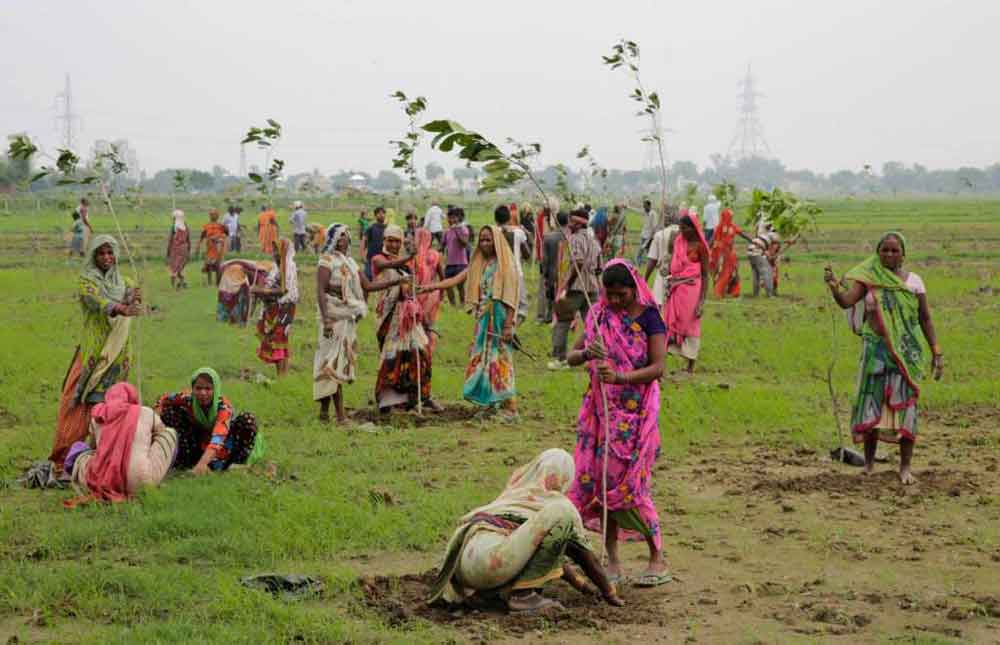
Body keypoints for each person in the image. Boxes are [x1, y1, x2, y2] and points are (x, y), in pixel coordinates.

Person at [566, 260, 670, 587]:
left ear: (634, 288)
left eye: (620, 294)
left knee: (634, 486)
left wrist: (621, 376)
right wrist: (587, 354)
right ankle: (612, 559)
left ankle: (657, 557)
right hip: (602, 415)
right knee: (603, 485)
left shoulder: (651, 317)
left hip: (636, 415)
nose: (615, 301)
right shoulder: (599, 315)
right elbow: (572, 355)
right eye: (609, 295)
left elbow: (657, 368)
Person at [428, 449, 624, 613]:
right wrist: (608, 591)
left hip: (462, 567)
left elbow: (542, 549)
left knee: (531, 539)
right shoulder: (557, 504)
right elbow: (584, 555)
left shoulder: (515, 493)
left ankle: (486, 596)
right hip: (491, 563)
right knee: (562, 514)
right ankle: (524, 596)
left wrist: (582, 585)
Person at [824, 232, 943, 485]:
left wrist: (936, 351)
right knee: (871, 405)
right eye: (884, 250)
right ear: (877, 252)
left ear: (903, 254)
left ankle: (905, 468)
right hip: (875, 352)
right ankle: (868, 465)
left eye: (894, 250)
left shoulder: (914, 282)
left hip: (906, 354)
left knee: (907, 408)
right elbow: (846, 302)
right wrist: (835, 289)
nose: (889, 255)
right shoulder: (868, 280)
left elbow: (925, 318)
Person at [50, 235, 143, 471]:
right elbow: (98, 301)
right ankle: (68, 455)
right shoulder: (86, 282)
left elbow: (132, 298)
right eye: (101, 253)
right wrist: (121, 307)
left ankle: (102, 456)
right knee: (77, 401)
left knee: (112, 402)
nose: (106, 258)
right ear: (93, 255)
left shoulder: (126, 281)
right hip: (93, 350)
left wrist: (134, 298)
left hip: (119, 353)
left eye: (110, 253)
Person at [420, 226, 520, 417]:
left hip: (499, 317)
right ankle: (491, 404)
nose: (484, 244)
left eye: (488, 240)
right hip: (483, 319)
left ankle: (510, 407)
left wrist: (508, 324)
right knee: (484, 360)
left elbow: (511, 296)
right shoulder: (479, 263)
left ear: (497, 241)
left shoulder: (507, 264)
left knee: (501, 359)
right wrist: (429, 287)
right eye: (481, 240)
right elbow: (456, 279)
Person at [314, 224, 401, 423]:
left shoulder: (351, 263)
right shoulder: (326, 261)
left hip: (347, 317)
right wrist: (326, 318)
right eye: (340, 235)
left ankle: (324, 414)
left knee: (335, 362)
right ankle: (340, 416)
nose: (344, 238)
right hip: (332, 316)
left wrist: (395, 282)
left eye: (346, 234)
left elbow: (368, 285)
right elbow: (320, 290)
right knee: (331, 363)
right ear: (332, 238)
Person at [63, 383, 177, 505]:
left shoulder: (98, 414)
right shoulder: (146, 412)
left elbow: (94, 449)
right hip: (142, 482)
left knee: (79, 449)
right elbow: (161, 431)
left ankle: (110, 477)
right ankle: (157, 476)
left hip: (103, 480)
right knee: (169, 433)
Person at [371, 225, 439, 413]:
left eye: (397, 241)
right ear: (384, 240)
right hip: (390, 318)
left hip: (407, 317)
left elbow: (411, 288)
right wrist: (409, 257)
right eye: (390, 240)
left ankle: (420, 397)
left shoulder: (405, 266)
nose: (393, 244)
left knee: (421, 353)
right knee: (393, 357)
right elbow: (385, 267)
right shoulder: (378, 259)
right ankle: (388, 401)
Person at [157, 368, 258, 474]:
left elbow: (218, 439)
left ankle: (237, 463)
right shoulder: (188, 398)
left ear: (215, 389)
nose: (203, 393)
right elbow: (164, 398)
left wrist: (201, 465)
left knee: (248, 419)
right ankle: (182, 459)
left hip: (224, 445)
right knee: (170, 411)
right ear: (193, 388)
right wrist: (156, 419)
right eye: (198, 388)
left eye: (208, 389)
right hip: (197, 441)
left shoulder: (224, 408)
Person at [549, 209, 602, 369]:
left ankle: (560, 359)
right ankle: (597, 356)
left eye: (572, 222)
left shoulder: (575, 238)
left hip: (576, 288)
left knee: (563, 322)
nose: (569, 224)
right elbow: (600, 267)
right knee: (593, 324)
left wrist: (566, 286)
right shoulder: (594, 240)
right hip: (592, 287)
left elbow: (578, 262)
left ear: (579, 224)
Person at [662, 215, 709, 373]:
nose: (682, 231)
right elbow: (673, 263)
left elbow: (705, 275)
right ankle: (660, 362)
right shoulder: (678, 242)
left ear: (693, 228)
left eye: (684, 228)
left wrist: (702, 301)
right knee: (669, 324)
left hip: (692, 291)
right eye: (680, 228)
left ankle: (690, 365)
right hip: (676, 288)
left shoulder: (701, 247)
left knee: (691, 326)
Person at [253, 238, 299, 377]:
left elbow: (284, 290)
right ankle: (282, 377)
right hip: (274, 307)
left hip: (284, 308)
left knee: (278, 339)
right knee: (279, 339)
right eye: (274, 250)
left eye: (278, 250)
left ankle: (281, 376)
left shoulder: (289, 266)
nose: (275, 253)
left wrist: (263, 292)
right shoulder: (276, 266)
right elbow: (271, 284)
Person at [495, 205, 531, 324]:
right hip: (515, 273)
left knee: (501, 304)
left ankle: (504, 328)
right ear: (510, 217)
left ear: (495, 219)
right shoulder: (518, 232)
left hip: (497, 273)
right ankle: (511, 328)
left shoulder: (493, 232)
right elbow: (527, 254)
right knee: (521, 307)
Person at [413, 227, 445, 351]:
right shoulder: (434, 255)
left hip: (421, 293)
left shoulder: (415, 256)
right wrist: (441, 292)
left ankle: (422, 348)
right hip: (431, 293)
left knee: (421, 322)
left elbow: (442, 276)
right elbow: (442, 277)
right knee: (427, 323)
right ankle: (426, 347)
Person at [216, 259, 273, 325]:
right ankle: (239, 319)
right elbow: (260, 288)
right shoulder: (262, 272)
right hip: (237, 276)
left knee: (225, 297)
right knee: (239, 299)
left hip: (227, 277)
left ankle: (224, 317)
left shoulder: (257, 268)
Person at [537, 211, 569, 323]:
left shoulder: (548, 237)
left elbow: (544, 259)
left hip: (552, 271)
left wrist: (544, 273)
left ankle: (549, 316)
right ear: (568, 221)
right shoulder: (571, 237)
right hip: (568, 272)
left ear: (556, 221)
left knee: (550, 295)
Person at [708, 207, 742, 298]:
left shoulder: (732, 226)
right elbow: (713, 239)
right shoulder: (719, 227)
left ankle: (733, 291)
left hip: (730, 253)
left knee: (733, 272)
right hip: (720, 254)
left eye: (731, 216)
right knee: (722, 273)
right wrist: (707, 248)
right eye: (729, 216)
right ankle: (719, 291)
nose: (730, 218)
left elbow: (742, 233)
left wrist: (753, 241)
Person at [442, 207, 471, 306]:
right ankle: (453, 305)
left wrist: (456, 231)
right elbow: (443, 245)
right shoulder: (447, 231)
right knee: (447, 285)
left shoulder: (463, 229)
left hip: (461, 264)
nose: (451, 220)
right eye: (449, 218)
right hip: (449, 263)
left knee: (460, 286)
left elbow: (464, 243)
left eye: (454, 218)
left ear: (458, 218)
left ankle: (463, 304)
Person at [745, 220, 777, 297]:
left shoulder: (762, 235)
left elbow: (766, 250)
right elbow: (774, 247)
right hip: (756, 252)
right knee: (767, 271)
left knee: (756, 273)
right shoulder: (773, 235)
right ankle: (770, 294)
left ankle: (756, 294)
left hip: (750, 251)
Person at [197, 209, 228, 286]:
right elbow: (202, 236)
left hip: (218, 248)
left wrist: (220, 237)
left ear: (217, 216)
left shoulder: (221, 226)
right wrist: (198, 245)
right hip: (210, 248)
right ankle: (210, 282)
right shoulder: (206, 226)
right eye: (211, 215)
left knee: (218, 265)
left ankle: (218, 282)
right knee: (209, 265)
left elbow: (226, 234)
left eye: (214, 215)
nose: (212, 216)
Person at [166, 209, 191, 290]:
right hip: (184, 249)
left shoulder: (174, 228)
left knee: (173, 268)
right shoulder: (186, 227)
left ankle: (173, 287)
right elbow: (188, 240)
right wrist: (189, 251)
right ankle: (182, 282)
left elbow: (170, 240)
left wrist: (168, 252)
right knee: (180, 268)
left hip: (175, 249)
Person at [362, 206, 387, 281]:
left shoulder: (387, 228)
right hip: (371, 257)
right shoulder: (371, 228)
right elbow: (364, 242)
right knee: (368, 276)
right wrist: (363, 256)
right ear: (375, 216)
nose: (381, 215)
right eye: (379, 213)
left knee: (383, 277)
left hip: (384, 257)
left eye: (383, 213)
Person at [635, 199, 656, 265]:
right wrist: (627, 207)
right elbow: (636, 211)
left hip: (649, 236)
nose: (644, 208)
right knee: (642, 250)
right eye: (643, 206)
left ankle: (649, 263)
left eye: (645, 206)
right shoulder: (645, 212)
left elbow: (654, 226)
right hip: (644, 235)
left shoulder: (653, 214)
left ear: (649, 206)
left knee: (646, 250)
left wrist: (652, 237)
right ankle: (640, 263)